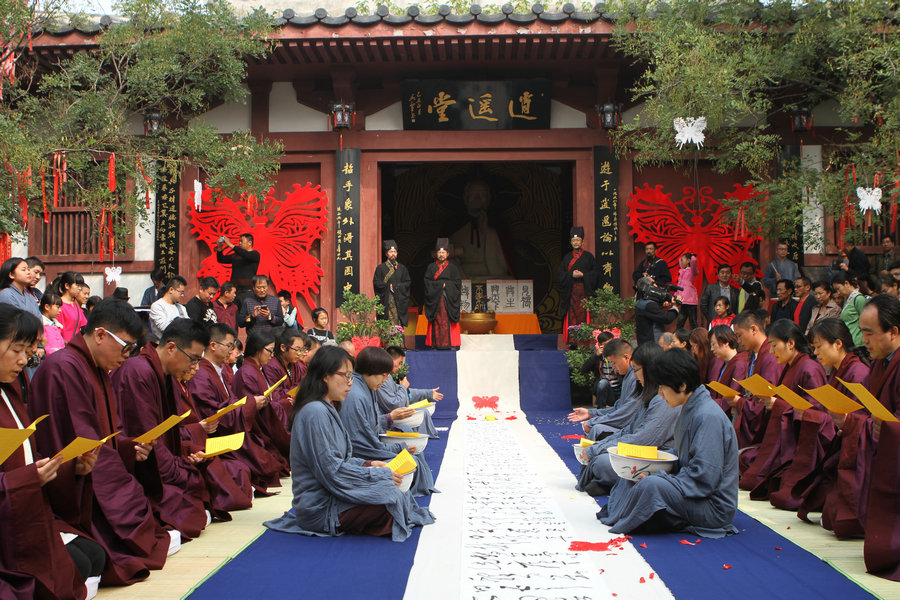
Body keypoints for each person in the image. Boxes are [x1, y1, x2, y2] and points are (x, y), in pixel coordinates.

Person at [28, 299, 174, 586]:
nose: (127, 356)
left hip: (96, 470)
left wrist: (129, 448)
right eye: (125, 347)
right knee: (109, 553)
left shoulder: (94, 368)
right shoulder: (64, 368)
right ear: (100, 335)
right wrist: (122, 478)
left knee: (155, 524)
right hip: (74, 488)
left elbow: (106, 435)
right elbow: (81, 445)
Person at [263, 345, 434, 542]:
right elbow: (331, 470)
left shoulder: (326, 406)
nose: (350, 384)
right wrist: (375, 474)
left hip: (333, 489)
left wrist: (369, 464)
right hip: (320, 506)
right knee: (389, 498)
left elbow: (340, 459)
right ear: (326, 376)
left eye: (352, 377)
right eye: (346, 376)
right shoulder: (315, 412)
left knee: (393, 492)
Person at [0, 306, 106, 600]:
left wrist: (72, 469)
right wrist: (24, 480)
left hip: (24, 507)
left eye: (28, 351)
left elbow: (23, 456)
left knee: (94, 558)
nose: (23, 360)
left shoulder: (9, 391)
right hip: (9, 518)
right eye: (16, 350)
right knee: (75, 567)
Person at [598, 348, 739, 538]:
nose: (660, 394)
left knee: (651, 485)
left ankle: (630, 515)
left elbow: (704, 477)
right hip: (694, 491)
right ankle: (622, 513)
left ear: (681, 385)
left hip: (712, 506)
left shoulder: (707, 416)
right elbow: (684, 456)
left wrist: (661, 477)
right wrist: (647, 464)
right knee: (633, 471)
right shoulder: (689, 407)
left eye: (662, 387)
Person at [111, 319, 212, 540]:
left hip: (161, 460)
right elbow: (147, 437)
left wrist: (185, 453)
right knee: (193, 505)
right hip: (141, 468)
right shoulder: (138, 372)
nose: (193, 367)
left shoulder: (167, 375)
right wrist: (179, 470)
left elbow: (168, 434)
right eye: (192, 359)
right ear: (172, 347)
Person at [188, 323, 285, 495]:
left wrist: (248, 404)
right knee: (246, 467)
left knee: (267, 455)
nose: (233, 352)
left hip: (233, 427)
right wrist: (250, 404)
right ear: (213, 345)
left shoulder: (221, 371)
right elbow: (212, 412)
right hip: (217, 436)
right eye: (229, 346)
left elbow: (230, 402)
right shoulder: (202, 374)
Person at [576, 344, 680, 497]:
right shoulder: (648, 392)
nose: (635, 375)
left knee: (601, 461)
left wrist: (598, 447)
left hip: (657, 454)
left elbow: (643, 438)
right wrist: (600, 445)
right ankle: (609, 481)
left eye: (637, 370)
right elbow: (630, 427)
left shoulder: (664, 399)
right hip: (639, 445)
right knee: (599, 454)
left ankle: (609, 482)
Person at [739, 319, 827, 500]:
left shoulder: (809, 368)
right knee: (744, 460)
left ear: (791, 343)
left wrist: (776, 404)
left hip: (798, 446)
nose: (771, 352)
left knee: (780, 492)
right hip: (783, 440)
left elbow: (816, 413)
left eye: (774, 345)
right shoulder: (791, 366)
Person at [339, 347, 437, 497]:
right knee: (410, 459)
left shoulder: (367, 387)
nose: (385, 380)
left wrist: (390, 419)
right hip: (360, 456)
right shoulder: (355, 396)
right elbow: (360, 444)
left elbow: (367, 425)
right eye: (384, 375)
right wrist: (397, 448)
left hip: (370, 445)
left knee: (411, 455)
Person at [805, 318, 869, 530]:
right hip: (840, 444)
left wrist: (847, 422)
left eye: (819, 346)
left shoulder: (857, 372)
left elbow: (861, 419)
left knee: (831, 513)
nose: (815, 353)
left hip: (856, 451)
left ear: (838, 343)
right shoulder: (839, 371)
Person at [232, 329, 291, 465]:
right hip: (256, 429)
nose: (272, 355)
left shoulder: (258, 369)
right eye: (269, 350)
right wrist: (279, 404)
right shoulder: (246, 372)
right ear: (258, 348)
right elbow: (249, 407)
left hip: (266, 418)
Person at [731, 310, 785, 448]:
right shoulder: (754, 354)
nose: (739, 341)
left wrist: (739, 402)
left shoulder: (770, 356)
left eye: (740, 335)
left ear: (753, 329)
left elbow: (765, 400)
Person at [568, 339, 640, 439]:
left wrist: (594, 420)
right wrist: (591, 413)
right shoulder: (629, 375)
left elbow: (627, 414)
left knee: (597, 429)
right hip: (629, 424)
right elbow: (619, 408)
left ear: (627, 357)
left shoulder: (637, 378)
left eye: (614, 363)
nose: (613, 367)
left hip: (635, 428)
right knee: (596, 428)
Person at [448, 180, 511, 280]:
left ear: (488, 200)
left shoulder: (497, 225)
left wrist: (487, 230)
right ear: (466, 198)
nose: (477, 198)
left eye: (482, 195)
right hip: (463, 275)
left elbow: (504, 265)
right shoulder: (454, 225)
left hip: (493, 274)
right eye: (473, 194)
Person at [376, 345, 443, 438]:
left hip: (387, 418)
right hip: (385, 420)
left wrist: (428, 393)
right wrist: (403, 387)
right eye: (399, 363)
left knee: (423, 413)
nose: (400, 367)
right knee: (422, 414)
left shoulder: (388, 377)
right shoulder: (380, 378)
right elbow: (395, 406)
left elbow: (404, 393)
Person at [557, 227, 597, 341]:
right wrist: (571, 275)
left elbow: (595, 273)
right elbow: (560, 274)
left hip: (585, 291)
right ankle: (573, 341)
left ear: (582, 241)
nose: (576, 242)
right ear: (571, 242)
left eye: (578, 240)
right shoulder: (567, 258)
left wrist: (584, 275)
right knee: (571, 316)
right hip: (571, 293)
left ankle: (585, 340)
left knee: (584, 315)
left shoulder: (589, 257)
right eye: (573, 241)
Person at [423, 238, 461, 350]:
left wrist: (447, 285)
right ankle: (435, 344)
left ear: (448, 254)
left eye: (443, 252)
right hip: (435, 299)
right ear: (436, 254)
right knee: (436, 321)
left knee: (447, 320)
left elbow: (457, 283)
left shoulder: (453, 268)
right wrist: (440, 286)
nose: (441, 255)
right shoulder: (431, 267)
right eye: (439, 252)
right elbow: (427, 282)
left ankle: (449, 344)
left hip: (448, 299)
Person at [707, 325, 750, 416]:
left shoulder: (739, 364)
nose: (711, 349)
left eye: (714, 344)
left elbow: (732, 395)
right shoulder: (722, 362)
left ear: (726, 342)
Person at [373, 239, 411, 327]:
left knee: (398, 324)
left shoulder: (402, 268)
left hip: (399, 300)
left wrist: (397, 287)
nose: (393, 254)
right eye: (391, 252)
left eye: (395, 252)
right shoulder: (380, 268)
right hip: (386, 300)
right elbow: (376, 283)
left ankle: (398, 340)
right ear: (386, 254)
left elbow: (407, 283)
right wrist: (387, 286)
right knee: (386, 324)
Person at [579, 331, 620, 408]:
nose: (609, 347)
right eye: (606, 345)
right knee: (603, 382)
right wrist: (595, 356)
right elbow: (584, 369)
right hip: (606, 390)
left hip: (619, 388)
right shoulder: (598, 357)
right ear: (600, 345)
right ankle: (600, 410)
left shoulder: (618, 354)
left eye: (611, 343)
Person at [634, 276, 679, 346]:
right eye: (654, 285)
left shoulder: (641, 302)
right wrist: (675, 307)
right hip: (653, 344)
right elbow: (666, 318)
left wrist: (661, 306)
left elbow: (652, 313)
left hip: (644, 343)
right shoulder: (649, 305)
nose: (656, 287)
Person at [216, 233, 260, 299]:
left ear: (249, 243)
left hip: (248, 291)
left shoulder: (255, 254)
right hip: (234, 291)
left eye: (241, 241)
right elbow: (221, 259)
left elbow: (245, 254)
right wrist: (220, 247)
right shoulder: (236, 255)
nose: (239, 243)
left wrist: (229, 244)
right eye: (239, 241)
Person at [833, 272, 867, 346]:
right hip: (850, 341)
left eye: (838, 289)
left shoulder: (859, 299)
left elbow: (866, 321)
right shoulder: (847, 300)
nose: (838, 293)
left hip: (859, 343)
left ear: (847, 283)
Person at [53, 271, 87, 343]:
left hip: (75, 346)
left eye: (80, 286)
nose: (79, 288)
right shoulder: (59, 305)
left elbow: (84, 326)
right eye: (77, 285)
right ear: (67, 286)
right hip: (63, 346)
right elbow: (57, 331)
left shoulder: (75, 305)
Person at [675, 253, 699, 328]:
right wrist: (676, 296)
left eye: (683, 260)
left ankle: (697, 337)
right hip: (683, 300)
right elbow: (679, 286)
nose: (681, 261)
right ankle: (678, 336)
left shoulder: (692, 271)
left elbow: (694, 262)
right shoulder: (681, 271)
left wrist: (692, 257)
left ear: (688, 260)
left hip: (691, 301)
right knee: (680, 322)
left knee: (693, 322)